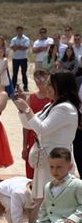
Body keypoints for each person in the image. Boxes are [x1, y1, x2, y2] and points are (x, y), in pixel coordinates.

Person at [14, 70, 80, 203]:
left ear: (60, 87)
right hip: (45, 159)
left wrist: (28, 110)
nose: (46, 88)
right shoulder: (50, 105)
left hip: (58, 160)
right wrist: (22, 108)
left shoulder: (66, 108)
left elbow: (42, 129)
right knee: (42, 200)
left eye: (50, 85)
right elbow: (28, 124)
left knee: (55, 201)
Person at [21, 69, 51, 179]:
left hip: (47, 139)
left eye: (42, 78)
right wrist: (24, 146)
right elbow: (25, 125)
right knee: (31, 175)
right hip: (32, 139)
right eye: (36, 78)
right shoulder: (31, 97)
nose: (39, 81)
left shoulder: (53, 98)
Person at [10, 26, 30, 92]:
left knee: (24, 73)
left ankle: (25, 86)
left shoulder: (26, 39)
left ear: (22, 31)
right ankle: (13, 87)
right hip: (15, 58)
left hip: (23, 58)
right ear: (17, 31)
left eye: (20, 31)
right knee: (15, 73)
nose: (19, 32)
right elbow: (12, 47)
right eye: (18, 31)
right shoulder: (13, 39)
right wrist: (20, 46)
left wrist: (17, 47)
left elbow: (25, 47)